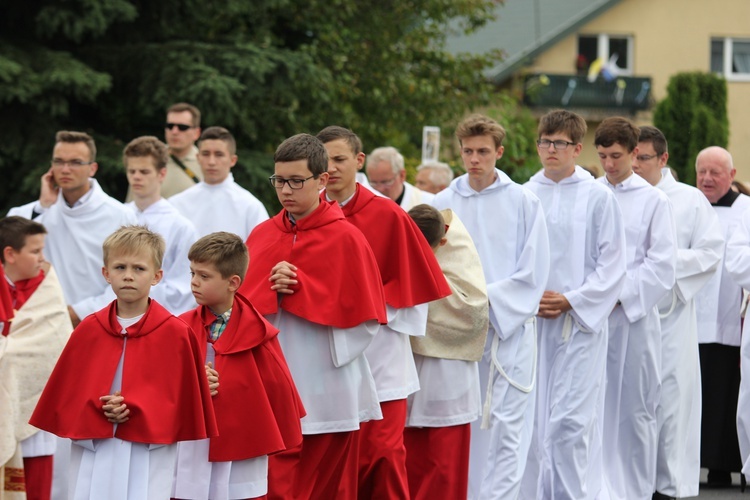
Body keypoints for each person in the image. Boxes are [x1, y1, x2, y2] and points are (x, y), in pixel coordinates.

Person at [239, 133, 387, 499]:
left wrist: (306, 290)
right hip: (273, 375)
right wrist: (267, 289)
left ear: (322, 181)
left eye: (296, 181)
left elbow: (367, 320)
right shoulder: (261, 234)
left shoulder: (347, 238)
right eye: (279, 181)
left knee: (323, 486)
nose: (286, 191)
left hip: (324, 379)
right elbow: (238, 304)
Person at [28, 225, 217, 499]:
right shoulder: (88, 330)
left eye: (139, 269)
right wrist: (98, 407)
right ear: (106, 273)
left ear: (157, 276)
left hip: (149, 449)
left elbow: (180, 401)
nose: (128, 276)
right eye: (120, 267)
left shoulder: (175, 333)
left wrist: (138, 408)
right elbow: (68, 396)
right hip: (94, 447)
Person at [317, 126, 451, 499]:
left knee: (383, 454)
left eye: (340, 159)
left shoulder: (389, 215)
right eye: (324, 161)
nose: (331, 168)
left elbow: (415, 293)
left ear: (358, 161)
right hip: (324, 355)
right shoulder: (304, 216)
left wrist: (364, 310)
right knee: (334, 459)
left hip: (380, 353)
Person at [432, 114, 550, 500]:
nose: (474, 159)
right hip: (458, 334)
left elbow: (533, 272)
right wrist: (461, 310)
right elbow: (431, 265)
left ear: (499, 152)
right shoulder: (442, 204)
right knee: (463, 425)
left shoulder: (523, 201)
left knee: (508, 428)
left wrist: (482, 303)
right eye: (467, 151)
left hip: (508, 333)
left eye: (483, 151)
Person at [520, 110, 626, 500]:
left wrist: (571, 300)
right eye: (544, 142)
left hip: (579, 326)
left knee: (569, 424)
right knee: (531, 424)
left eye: (559, 143)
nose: (549, 150)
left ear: (577, 149)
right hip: (531, 325)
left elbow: (613, 264)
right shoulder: (525, 194)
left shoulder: (598, 196)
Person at [173, 232, 304, 500]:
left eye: (204, 276)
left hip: (241, 447)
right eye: (192, 274)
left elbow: (275, 392)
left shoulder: (258, 333)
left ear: (233, 282)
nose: (194, 283)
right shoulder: (180, 327)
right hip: (190, 445)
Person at [632, 127, 724, 499]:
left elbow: (710, 252)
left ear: (663, 159)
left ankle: (668, 485)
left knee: (669, 402)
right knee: (631, 403)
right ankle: (630, 482)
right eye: (631, 157)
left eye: (643, 158)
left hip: (669, 314)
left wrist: (664, 263)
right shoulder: (616, 194)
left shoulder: (688, 200)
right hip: (627, 314)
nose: (635, 165)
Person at [595, 117, 676, 500]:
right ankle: (596, 486)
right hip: (590, 317)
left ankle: (635, 490)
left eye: (616, 156)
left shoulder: (653, 200)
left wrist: (618, 295)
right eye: (602, 156)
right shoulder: (589, 194)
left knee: (635, 408)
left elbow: (661, 264)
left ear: (634, 154)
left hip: (632, 319)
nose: (609, 165)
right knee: (593, 405)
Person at [7, 131, 138, 328]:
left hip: (98, 322)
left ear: (92, 168)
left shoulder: (120, 216)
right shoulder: (35, 211)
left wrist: (79, 312)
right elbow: (9, 247)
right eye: (59, 161)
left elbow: (130, 276)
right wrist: (43, 206)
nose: (65, 169)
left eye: (75, 162)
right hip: (39, 322)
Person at [404, 204, 489, 500]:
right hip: (408, 376)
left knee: (442, 467)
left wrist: (415, 292)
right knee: (408, 466)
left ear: (443, 242)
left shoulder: (458, 251)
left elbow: (474, 311)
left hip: (448, 377)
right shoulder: (400, 250)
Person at [0, 217, 72, 500]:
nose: (43, 259)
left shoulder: (47, 289)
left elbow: (55, 344)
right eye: (35, 251)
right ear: (10, 254)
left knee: (36, 487)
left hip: (32, 411)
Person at [694, 146, 750, 485]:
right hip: (692, 315)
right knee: (697, 393)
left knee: (728, 392)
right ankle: (695, 461)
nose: (707, 178)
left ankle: (724, 465)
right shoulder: (687, 204)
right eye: (702, 171)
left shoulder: (746, 210)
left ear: (731, 176)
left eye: (715, 172)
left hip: (730, 316)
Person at [123, 135, 198, 314]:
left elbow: (183, 288)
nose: (136, 178)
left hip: (158, 317)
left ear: (162, 173)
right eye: (132, 171)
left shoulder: (181, 226)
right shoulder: (117, 215)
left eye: (144, 171)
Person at [169, 126, 268, 239]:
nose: (211, 162)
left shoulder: (250, 207)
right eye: (206, 154)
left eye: (219, 154)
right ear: (198, 157)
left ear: (232, 160)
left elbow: (262, 250)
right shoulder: (178, 204)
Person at [366, 146, 435, 209]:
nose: (379, 189)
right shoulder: (365, 205)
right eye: (373, 183)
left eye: (385, 182)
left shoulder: (429, 203)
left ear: (402, 175)